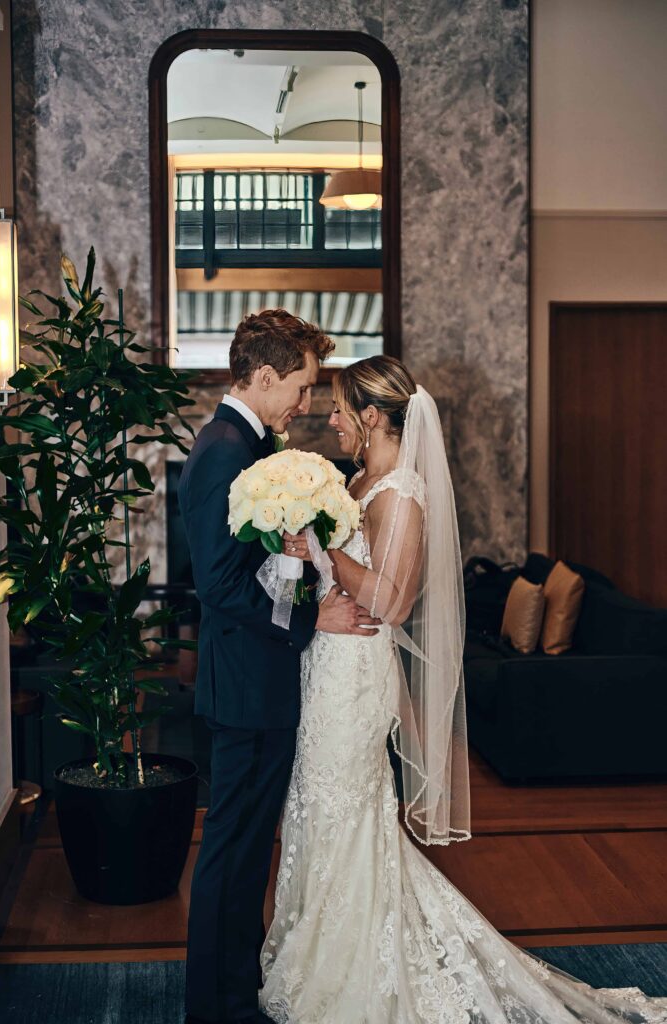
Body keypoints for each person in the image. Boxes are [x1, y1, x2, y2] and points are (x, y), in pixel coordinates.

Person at [260, 354, 667, 1023]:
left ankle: (352, 964)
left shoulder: (402, 493)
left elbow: (393, 600)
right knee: (315, 807)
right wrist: (306, 560)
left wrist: (323, 552)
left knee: (345, 809)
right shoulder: (360, 480)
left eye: (338, 408)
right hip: (324, 664)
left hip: (357, 675)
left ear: (370, 415)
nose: (328, 420)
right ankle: (316, 945)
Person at [177, 311, 381, 1024]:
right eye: (299, 385)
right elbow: (218, 586)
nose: (305, 402)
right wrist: (311, 617)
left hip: (264, 681)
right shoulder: (221, 452)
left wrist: (300, 568)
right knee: (231, 851)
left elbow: (259, 566)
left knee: (246, 848)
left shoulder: (254, 444)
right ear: (263, 376)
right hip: (243, 686)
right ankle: (216, 1006)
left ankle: (238, 989)